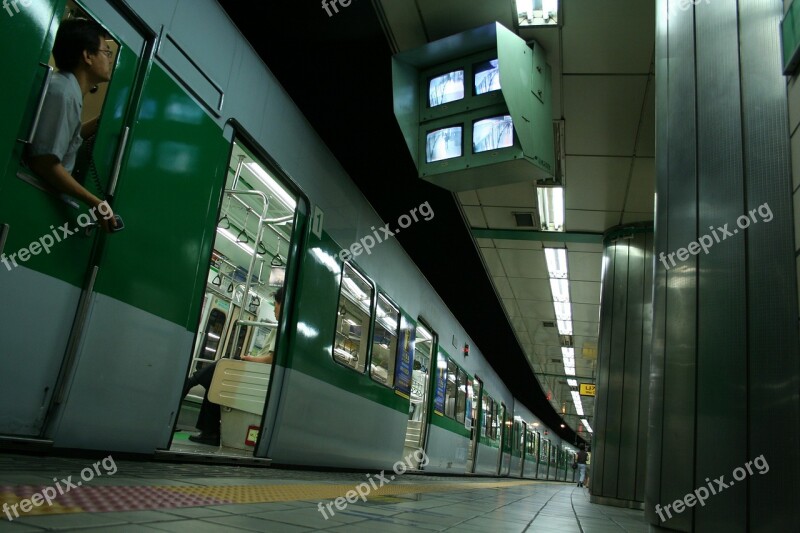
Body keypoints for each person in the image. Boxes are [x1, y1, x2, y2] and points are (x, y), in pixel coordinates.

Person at [26, 18, 117, 232]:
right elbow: (44, 163)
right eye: (106, 52)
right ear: (87, 56)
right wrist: (95, 202)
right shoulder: (64, 93)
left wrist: (96, 124)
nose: (110, 60)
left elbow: (64, 139)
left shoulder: (68, 89)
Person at [183, 286, 283, 446]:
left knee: (224, 367)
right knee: (218, 377)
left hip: (260, 374)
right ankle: (209, 431)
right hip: (259, 372)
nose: (274, 310)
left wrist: (248, 359)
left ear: (282, 304)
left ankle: (191, 383)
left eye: (276, 305)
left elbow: (270, 359)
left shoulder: (282, 328)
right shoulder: (279, 328)